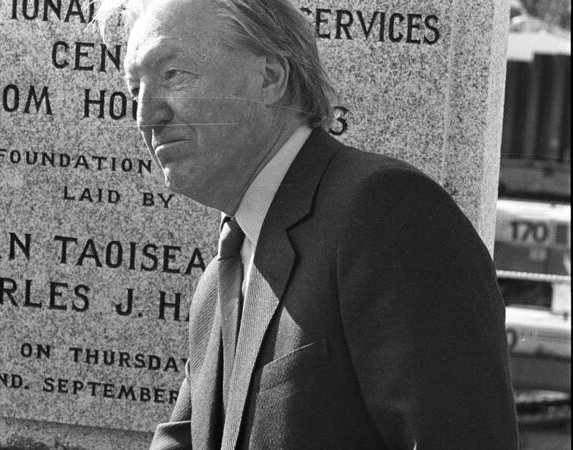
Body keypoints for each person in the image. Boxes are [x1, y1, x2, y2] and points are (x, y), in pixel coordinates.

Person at [96, 0, 519, 448]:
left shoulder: (386, 210)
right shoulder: (221, 277)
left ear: (270, 77)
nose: (146, 117)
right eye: (135, 90)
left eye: (172, 75)